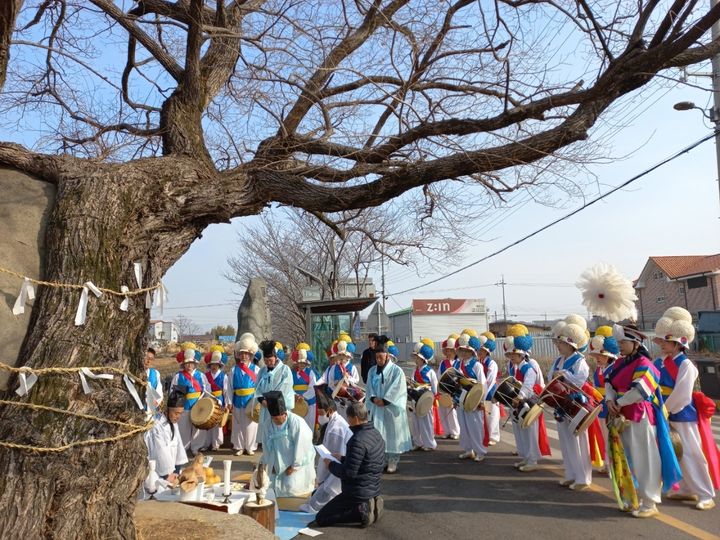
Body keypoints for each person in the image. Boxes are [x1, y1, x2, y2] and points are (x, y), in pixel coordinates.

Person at [606, 324, 682, 518]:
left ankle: (650, 501)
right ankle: (635, 497)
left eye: (623, 342)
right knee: (630, 457)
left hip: (641, 415)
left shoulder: (645, 364)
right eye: (619, 342)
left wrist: (618, 402)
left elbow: (641, 392)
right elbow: (609, 383)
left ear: (635, 343)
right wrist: (609, 399)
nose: (620, 346)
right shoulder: (618, 363)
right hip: (623, 413)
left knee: (647, 458)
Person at [653, 307, 717, 511]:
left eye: (664, 341)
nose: (661, 344)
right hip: (664, 411)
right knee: (676, 452)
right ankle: (687, 488)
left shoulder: (686, 365)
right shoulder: (660, 362)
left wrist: (665, 409)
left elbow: (682, 394)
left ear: (677, 342)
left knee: (691, 453)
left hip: (682, 414)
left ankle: (706, 493)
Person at [312, 401, 385, 528]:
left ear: (355, 418)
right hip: (373, 487)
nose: (348, 421)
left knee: (322, 518)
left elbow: (348, 473)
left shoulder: (357, 439)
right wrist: (342, 458)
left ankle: (361, 511)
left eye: (349, 418)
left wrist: (330, 464)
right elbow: (364, 462)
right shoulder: (376, 433)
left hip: (356, 491)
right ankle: (370, 502)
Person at [548, 315, 592, 490]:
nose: (558, 345)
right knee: (565, 441)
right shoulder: (559, 360)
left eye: (561, 343)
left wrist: (564, 376)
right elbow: (550, 377)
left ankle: (583, 478)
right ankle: (570, 474)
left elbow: (580, 381)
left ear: (571, 344)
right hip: (561, 404)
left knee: (578, 440)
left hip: (576, 404)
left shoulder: (580, 361)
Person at [299, 385, 353, 513]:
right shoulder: (335, 422)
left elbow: (332, 457)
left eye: (321, 413)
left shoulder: (336, 430)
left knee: (315, 504)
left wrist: (321, 478)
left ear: (329, 411)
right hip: (336, 469)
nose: (319, 416)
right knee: (315, 496)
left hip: (337, 474)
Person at [504, 328, 550, 472]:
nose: (511, 357)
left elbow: (528, 386)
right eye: (510, 355)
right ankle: (526, 457)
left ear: (521, 355)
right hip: (520, 403)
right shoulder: (517, 367)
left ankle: (532, 460)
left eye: (514, 355)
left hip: (529, 403)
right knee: (523, 431)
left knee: (530, 431)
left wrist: (520, 396)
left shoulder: (529, 367)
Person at [366, 335, 412, 474]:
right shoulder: (372, 371)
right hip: (377, 407)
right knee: (379, 434)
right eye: (376, 357)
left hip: (391, 408)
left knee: (392, 434)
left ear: (387, 356)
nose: (378, 360)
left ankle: (393, 460)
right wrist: (373, 398)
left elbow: (398, 388)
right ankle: (382, 459)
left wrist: (385, 400)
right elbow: (369, 387)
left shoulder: (397, 371)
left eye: (381, 357)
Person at [259, 391, 316, 499]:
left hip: (294, 462)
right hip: (277, 461)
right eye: (273, 418)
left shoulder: (297, 422)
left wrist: (294, 465)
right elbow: (266, 447)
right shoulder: (268, 424)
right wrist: (269, 464)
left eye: (277, 418)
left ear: (284, 414)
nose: (275, 421)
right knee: (271, 489)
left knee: (292, 488)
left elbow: (302, 445)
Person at [587, 326, 620, 473]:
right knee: (604, 436)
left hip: (611, 405)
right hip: (600, 405)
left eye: (599, 355)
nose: (596, 358)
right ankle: (608, 463)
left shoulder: (615, 367)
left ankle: (615, 466)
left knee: (613, 437)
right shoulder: (600, 368)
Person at [170, 342, 210, 454]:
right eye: (187, 363)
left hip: (198, 404)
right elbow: (173, 392)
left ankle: (196, 447)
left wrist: (206, 402)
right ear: (183, 364)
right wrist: (174, 407)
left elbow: (207, 389)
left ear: (195, 364)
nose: (189, 366)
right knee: (183, 427)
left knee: (198, 428)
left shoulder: (201, 376)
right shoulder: (178, 376)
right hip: (184, 405)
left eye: (191, 363)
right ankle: (183, 448)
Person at [455, 330, 488, 462]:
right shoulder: (458, 364)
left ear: (472, 352)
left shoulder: (477, 365)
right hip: (460, 398)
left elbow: (483, 384)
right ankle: (468, 450)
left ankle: (480, 451)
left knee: (475, 426)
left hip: (473, 399)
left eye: (467, 351)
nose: (464, 353)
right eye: (462, 350)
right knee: (463, 425)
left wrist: (481, 401)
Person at [255, 339, 295, 447]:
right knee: (267, 435)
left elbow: (284, 389)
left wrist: (271, 400)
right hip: (266, 408)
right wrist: (262, 400)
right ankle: (268, 459)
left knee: (281, 434)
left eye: (270, 359)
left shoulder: (285, 370)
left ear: (275, 357)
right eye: (266, 359)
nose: (268, 362)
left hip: (280, 408)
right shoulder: (262, 371)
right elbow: (257, 389)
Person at [144, 390, 188, 486]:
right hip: (157, 471)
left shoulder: (174, 424)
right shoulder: (156, 425)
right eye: (176, 413)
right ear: (167, 410)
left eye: (181, 413)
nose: (178, 417)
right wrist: (167, 474)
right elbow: (160, 451)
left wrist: (176, 470)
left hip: (171, 472)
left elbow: (179, 448)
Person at [229, 333, 260, 456]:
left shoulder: (256, 369)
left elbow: (259, 387)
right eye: (241, 353)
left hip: (250, 400)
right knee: (238, 424)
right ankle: (239, 446)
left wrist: (258, 400)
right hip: (237, 400)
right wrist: (229, 401)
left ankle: (250, 446)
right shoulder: (233, 370)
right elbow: (229, 388)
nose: (243, 356)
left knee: (251, 425)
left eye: (246, 354)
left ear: (250, 355)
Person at [408, 339, 439, 451]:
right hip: (416, 399)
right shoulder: (415, 370)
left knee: (426, 422)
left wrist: (430, 397)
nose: (416, 359)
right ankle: (418, 442)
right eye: (415, 357)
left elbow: (435, 388)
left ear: (423, 359)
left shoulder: (430, 372)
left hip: (426, 399)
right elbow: (411, 382)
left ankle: (430, 443)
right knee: (415, 421)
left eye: (418, 358)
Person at [202, 345, 230, 451]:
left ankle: (216, 444)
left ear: (219, 365)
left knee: (217, 423)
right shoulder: (205, 376)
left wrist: (226, 404)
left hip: (219, 400)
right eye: (212, 364)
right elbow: (204, 389)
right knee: (207, 423)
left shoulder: (224, 376)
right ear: (210, 365)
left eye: (216, 365)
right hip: (209, 399)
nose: (214, 367)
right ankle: (206, 443)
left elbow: (226, 391)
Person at [325, 336, 360, 420]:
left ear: (348, 356)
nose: (342, 357)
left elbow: (357, 380)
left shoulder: (352, 367)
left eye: (343, 355)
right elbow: (330, 382)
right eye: (340, 355)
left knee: (349, 418)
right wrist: (336, 385)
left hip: (349, 398)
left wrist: (349, 378)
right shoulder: (334, 368)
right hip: (337, 398)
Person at [478, 332, 500, 446]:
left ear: (487, 352)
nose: (479, 353)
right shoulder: (478, 362)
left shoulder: (492, 363)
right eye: (478, 351)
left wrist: (483, 393)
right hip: (481, 391)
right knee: (484, 416)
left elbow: (490, 381)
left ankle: (493, 436)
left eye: (481, 351)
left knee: (492, 415)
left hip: (490, 392)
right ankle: (485, 435)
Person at [436, 335, 460, 440]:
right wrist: (440, 388)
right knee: (443, 411)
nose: (448, 352)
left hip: (454, 392)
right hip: (443, 390)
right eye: (447, 350)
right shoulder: (442, 362)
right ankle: (447, 431)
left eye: (450, 350)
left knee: (452, 412)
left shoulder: (458, 363)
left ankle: (455, 431)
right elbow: (439, 375)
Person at [290, 343, 319, 431]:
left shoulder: (310, 372)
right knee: (296, 427)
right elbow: (289, 387)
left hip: (309, 402)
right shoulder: (292, 373)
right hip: (296, 402)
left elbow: (313, 387)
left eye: (303, 363)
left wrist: (303, 396)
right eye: (300, 362)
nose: (302, 364)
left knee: (308, 426)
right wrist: (295, 395)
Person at [144, 347, 163, 412]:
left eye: (151, 359)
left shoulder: (155, 373)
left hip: (151, 408)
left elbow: (159, 390)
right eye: (147, 358)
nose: (148, 361)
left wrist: (156, 401)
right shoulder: (134, 372)